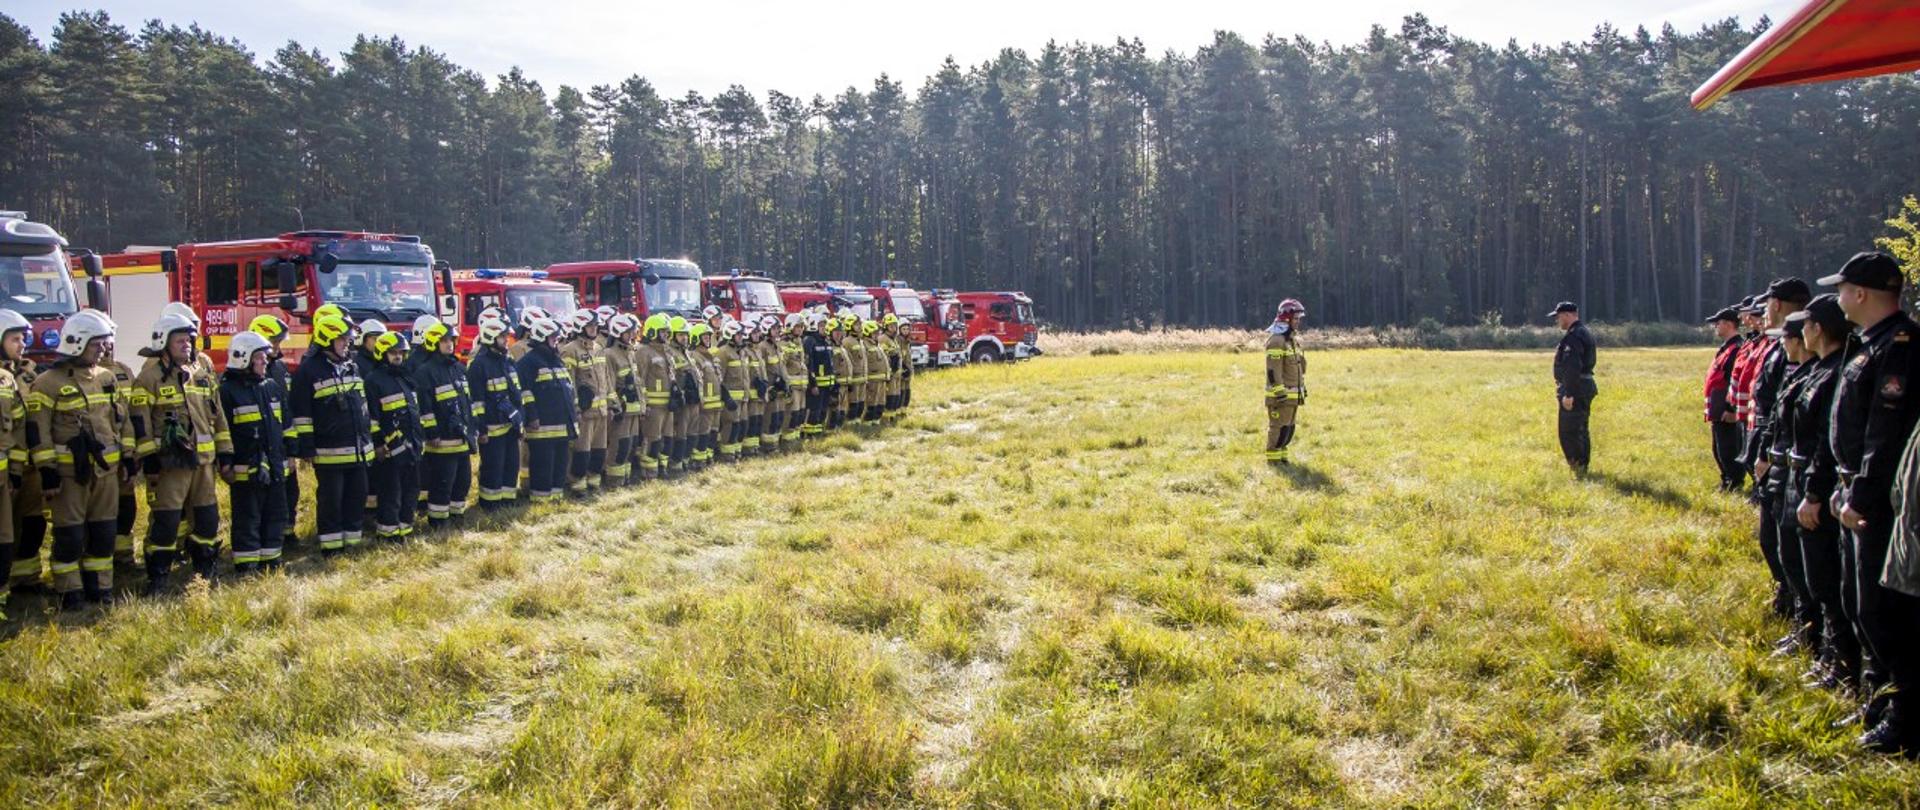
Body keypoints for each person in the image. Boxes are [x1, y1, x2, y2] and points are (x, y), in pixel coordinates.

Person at [1817, 251, 1920, 753]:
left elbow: (1885, 433)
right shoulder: (1872, 343)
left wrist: (1859, 494)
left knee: (1883, 612)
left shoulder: (1899, 346)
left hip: (1879, 501)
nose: (1838, 299)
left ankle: (1905, 722)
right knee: (1863, 607)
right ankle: (1881, 703)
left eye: (1842, 290)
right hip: (1854, 490)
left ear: (1859, 294)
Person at [27, 309, 134, 608]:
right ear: (76, 342)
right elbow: (38, 430)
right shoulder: (47, 382)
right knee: (70, 535)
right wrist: (47, 471)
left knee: (104, 533)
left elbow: (121, 421)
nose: (102, 350)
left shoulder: (107, 378)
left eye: (103, 344)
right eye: (96, 344)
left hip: (106, 474)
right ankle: (69, 592)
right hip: (69, 475)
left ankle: (100, 589)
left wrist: (128, 456)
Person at [1790, 295, 1861, 696]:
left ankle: (1845, 667)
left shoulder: (1837, 372)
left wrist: (1816, 491)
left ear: (1817, 328)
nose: (1800, 332)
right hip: (1809, 482)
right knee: (1818, 579)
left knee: (1832, 585)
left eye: (1806, 325)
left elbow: (1826, 441)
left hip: (1824, 488)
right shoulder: (1822, 370)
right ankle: (1832, 657)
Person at [133, 310, 232, 589]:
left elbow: (218, 415)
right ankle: (158, 577)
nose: (186, 345)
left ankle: (205, 569)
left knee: (207, 518)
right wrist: (149, 458)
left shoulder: (201, 373)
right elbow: (140, 422)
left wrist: (225, 451)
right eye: (179, 341)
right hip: (170, 465)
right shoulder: (149, 379)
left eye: (189, 340)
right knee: (166, 521)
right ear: (164, 342)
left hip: (204, 464)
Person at [289, 314, 374, 556]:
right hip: (329, 453)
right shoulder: (309, 371)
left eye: (348, 340)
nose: (347, 344)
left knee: (356, 496)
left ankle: (353, 543)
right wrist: (306, 448)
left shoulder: (352, 366)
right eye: (342, 340)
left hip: (358, 450)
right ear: (327, 339)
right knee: (331, 501)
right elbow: (302, 415)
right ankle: (331, 547)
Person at [218, 331, 290, 574]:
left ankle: (271, 561)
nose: (265, 362)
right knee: (247, 517)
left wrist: (290, 453)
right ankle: (247, 566)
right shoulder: (227, 391)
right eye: (260, 357)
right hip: (246, 468)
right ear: (243, 358)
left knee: (276, 514)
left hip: (274, 464)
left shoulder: (271, 387)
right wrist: (225, 462)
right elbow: (222, 430)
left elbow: (284, 424)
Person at [412, 318, 476, 526]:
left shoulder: (458, 368)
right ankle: (438, 522)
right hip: (442, 442)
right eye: (444, 341)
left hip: (462, 437)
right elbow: (424, 407)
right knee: (443, 483)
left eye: (452, 340)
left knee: (463, 481)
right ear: (433, 343)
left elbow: (467, 402)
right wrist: (432, 434)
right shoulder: (425, 371)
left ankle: (457, 516)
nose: (450, 344)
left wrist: (472, 427)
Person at [363, 331, 422, 542]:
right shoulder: (373, 381)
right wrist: (378, 444)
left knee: (411, 490)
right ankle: (388, 536)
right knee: (391, 493)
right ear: (382, 354)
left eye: (401, 353)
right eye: (393, 353)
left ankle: (405, 530)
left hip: (411, 445)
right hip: (389, 449)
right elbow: (371, 419)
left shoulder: (405, 377)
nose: (398, 356)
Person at [248, 314, 301, 551]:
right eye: (275, 342)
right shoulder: (251, 372)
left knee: (290, 491)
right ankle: (262, 537)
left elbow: (287, 407)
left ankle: (287, 533)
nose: (278, 347)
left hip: (281, 441)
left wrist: (292, 449)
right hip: (260, 445)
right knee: (261, 496)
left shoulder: (278, 368)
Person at [516, 315, 576, 503]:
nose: (557, 342)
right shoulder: (528, 363)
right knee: (543, 464)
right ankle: (540, 500)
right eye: (553, 338)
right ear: (542, 338)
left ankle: (556, 498)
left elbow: (567, 390)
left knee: (560, 463)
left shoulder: (556, 360)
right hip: (541, 427)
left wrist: (574, 415)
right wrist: (532, 417)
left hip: (561, 424)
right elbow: (525, 393)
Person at [467, 316, 525, 508]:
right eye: (502, 337)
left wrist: (520, 419)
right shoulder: (479, 365)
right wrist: (481, 429)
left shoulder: (508, 361)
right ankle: (490, 504)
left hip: (511, 424)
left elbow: (516, 392)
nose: (506, 341)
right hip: (492, 428)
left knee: (511, 465)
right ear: (490, 337)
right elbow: (476, 401)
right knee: (493, 467)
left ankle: (508, 500)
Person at [561, 309, 610, 495]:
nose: (594, 329)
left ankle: (594, 482)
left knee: (599, 451)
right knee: (582, 451)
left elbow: (606, 378)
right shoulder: (570, 350)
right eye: (590, 326)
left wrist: (611, 404)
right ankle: (577, 484)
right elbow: (569, 382)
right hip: (585, 412)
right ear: (580, 326)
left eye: (596, 325)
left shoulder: (598, 348)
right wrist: (575, 409)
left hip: (602, 411)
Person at [0, 310, 27, 617]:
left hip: (3, 477)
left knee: (5, 541)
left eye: (22, 338)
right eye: (14, 339)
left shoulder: (8, 380)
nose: (21, 345)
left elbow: (17, 429)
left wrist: (16, 472)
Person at [1550, 302, 1598, 472]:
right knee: (1580, 428)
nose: (1557, 320)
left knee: (1570, 431)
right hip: (1584, 385)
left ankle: (1578, 466)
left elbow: (1572, 367)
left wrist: (1569, 393)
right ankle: (1582, 465)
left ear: (1568, 315)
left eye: (1559, 316)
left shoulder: (1574, 336)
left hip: (1576, 387)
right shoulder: (1584, 332)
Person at [1705, 307, 1746, 490]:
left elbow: (1734, 380)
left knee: (1728, 446)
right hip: (1718, 404)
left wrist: (1731, 408)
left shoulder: (1736, 349)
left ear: (1729, 324)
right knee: (1719, 446)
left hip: (1726, 406)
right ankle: (1727, 478)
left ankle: (1734, 480)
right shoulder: (1727, 347)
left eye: (1718, 323)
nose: (1716, 326)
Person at [1264, 299, 1307, 465]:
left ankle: (1282, 459)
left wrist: (1302, 389)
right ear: (1286, 320)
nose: (1298, 322)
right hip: (1281, 396)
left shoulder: (1292, 341)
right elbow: (1273, 370)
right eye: (1295, 319)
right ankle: (1273, 463)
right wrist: (1279, 392)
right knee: (1278, 428)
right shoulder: (1277, 341)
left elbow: (1297, 368)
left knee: (1288, 429)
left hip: (1293, 395)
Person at [635, 314, 673, 480]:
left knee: (666, 439)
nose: (665, 335)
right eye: (662, 331)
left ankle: (661, 467)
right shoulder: (644, 352)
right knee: (652, 439)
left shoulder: (667, 351)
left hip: (668, 405)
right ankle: (649, 472)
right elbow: (640, 380)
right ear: (652, 332)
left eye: (666, 332)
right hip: (654, 406)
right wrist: (644, 405)